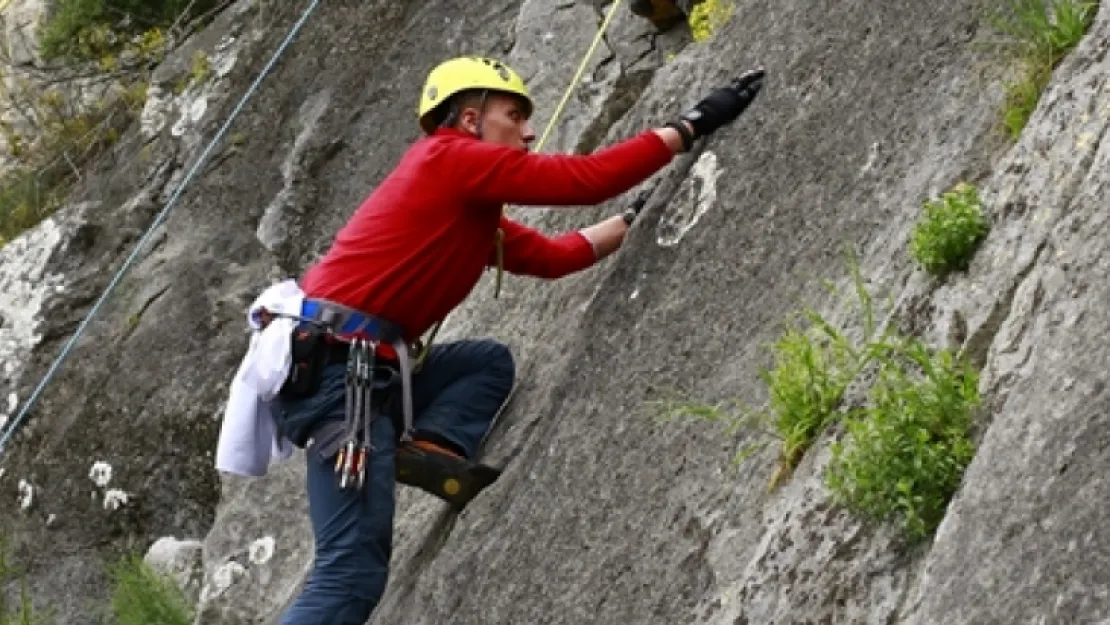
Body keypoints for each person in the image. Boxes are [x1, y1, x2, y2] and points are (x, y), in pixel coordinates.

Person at [271, 55, 764, 625]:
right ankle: (400, 445)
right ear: (471, 119)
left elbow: (555, 257)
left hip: (362, 375)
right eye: (515, 115)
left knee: (484, 364)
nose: (528, 131)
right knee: (350, 573)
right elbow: (585, 180)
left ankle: (429, 447)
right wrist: (691, 124)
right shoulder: (447, 158)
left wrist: (632, 219)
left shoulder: (466, 208)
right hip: (343, 379)